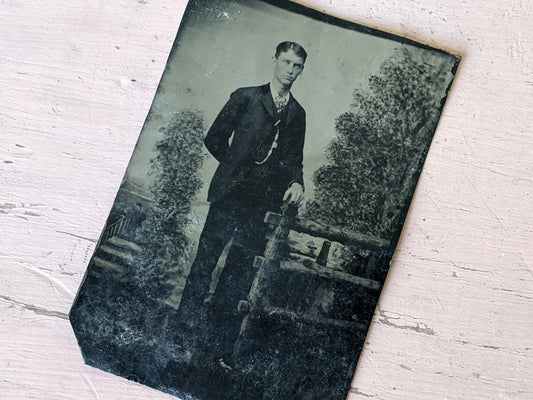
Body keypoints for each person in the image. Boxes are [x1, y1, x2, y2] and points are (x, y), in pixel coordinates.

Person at [177, 41, 308, 365]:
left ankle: (214, 349)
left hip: (259, 207)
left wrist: (296, 182)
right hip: (229, 197)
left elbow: (294, 160)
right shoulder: (246, 96)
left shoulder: (297, 114)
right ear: (274, 60)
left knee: (237, 276)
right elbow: (214, 138)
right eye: (286, 62)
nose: (290, 70)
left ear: (301, 70)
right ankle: (181, 338)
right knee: (204, 267)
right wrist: (235, 169)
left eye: (297, 66)